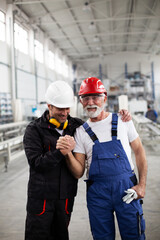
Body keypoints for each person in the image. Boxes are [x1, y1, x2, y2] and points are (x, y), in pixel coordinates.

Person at [23, 79, 131, 240]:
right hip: (42, 198)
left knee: (61, 236)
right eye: (60, 108)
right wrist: (60, 152)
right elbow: (36, 163)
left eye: (67, 108)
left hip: (65, 197)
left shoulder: (76, 126)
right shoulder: (34, 130)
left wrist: (120, 116)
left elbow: (98, 125)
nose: (64, 112)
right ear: (49, 105)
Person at [56, 77, 147, 240]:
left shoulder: (122, 120)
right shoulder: (80, 132)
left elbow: (139, 151)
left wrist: (141, 185)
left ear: (104, 98)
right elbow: (78, 173)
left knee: (134, 235)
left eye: (95, 97)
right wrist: (67, 153)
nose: (91, 102)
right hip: (98, 194)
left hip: (126, 189)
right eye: (86, 98)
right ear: (81, 101)